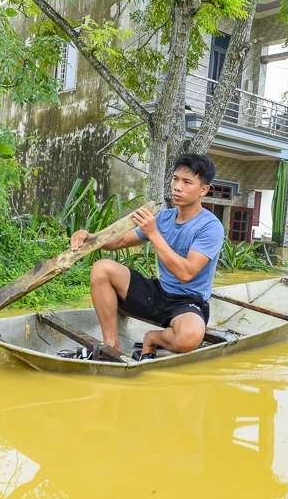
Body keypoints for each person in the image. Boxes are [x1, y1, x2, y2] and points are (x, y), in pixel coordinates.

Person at [69, 154, 224, 362]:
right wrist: (90, 237)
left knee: (189, 337)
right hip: (159, 293)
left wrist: (153, 234)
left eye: (187, 182)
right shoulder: (163, 218)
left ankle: (152, 339)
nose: (177, 187)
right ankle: (111, 346)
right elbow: (120, 241)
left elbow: (186, 273)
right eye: (175, 179)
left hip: (188, 302)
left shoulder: (210, 227)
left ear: (204, 190)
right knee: (102, 268)